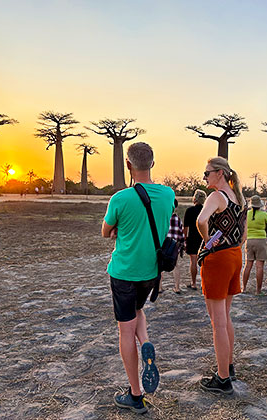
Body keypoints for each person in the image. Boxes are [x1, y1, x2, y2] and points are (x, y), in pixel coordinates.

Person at [102, 142, 174, 414]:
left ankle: (135, 394)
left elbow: (105, 230)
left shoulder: (120, 198)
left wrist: (119, 227)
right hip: (150, 273)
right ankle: (146, 344)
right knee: (139, 309)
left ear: (128, 165)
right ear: (153, 164)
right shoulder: (168, 195)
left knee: (125, 330)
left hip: (123, 272)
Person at [196, 157, 246, 394]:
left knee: (218, 321)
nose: (204, 177)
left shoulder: (216, 197)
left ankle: (223, 378)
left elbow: (201, 220)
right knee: (225, 317)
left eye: (207, 173)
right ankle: (228, 366)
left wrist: (207, 241)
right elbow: (243, 235)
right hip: (235, 255)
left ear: (220, 173)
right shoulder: (238, 198)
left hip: (218, 259)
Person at [241, 195, 267, 295]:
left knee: (248, 265)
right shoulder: (264, 214)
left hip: (249, 240)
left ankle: (243, 288)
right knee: (259, 266)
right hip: (261, 240)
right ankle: (258, 290)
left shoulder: (246, 214)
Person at [183, 189, 206, 290]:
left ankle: (193, 283)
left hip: (192, 237)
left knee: (193, 261)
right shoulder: (206, 210)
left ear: (195, 199)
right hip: (204, 237)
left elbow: (186, 227)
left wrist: (184, 239)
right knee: (205, 262)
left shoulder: (190, 210)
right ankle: (204, 283)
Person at [161, 199, 185, 294]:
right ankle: (177, 287)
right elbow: (181, 234)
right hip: (174, 246)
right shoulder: (177, 219)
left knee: (160, 266)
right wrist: (182, 245)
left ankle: (159, 287)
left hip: (163, 245)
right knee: (175, 265)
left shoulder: (162, 218)